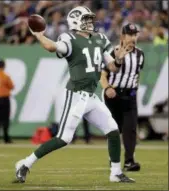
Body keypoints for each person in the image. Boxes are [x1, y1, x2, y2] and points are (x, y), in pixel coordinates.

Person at [15, 6, 135, 183]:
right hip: (76, 95)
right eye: (86, 19)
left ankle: (115, 173)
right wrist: (39, 35)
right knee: (63, 138)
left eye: (90, 19)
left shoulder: (100, 39)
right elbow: (51, 47)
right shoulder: (69, 38)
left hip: (91, 96)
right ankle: (25, 163)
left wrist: (119, 59)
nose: (90, 22)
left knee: (112, 129)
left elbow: (111, 67)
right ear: (75, 22)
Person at [100, 23, 144, 171]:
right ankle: (114, 160)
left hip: (130, 96)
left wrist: (134, 88)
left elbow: (136, 74)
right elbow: (103, 75)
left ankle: (129, 161)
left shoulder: (140, 54)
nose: (133, 38)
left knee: (130, 129)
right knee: (114, 129)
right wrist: (107, 88)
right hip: (114, 96)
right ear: (123, 37)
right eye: (130, 35)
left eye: (135, 34)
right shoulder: (113, 52)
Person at [0, 59, 14, 143]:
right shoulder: (5, 76)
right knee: (5, 119)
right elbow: (11, 86)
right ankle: (6, 138)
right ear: (4, 66)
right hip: (5, 99)